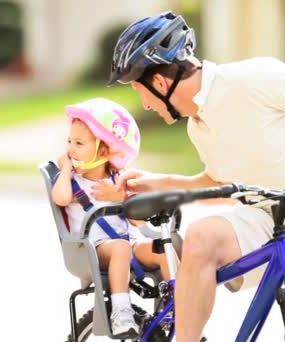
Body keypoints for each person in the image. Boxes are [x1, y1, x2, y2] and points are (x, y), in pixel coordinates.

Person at [107, 11, 285, 341]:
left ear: (161, 83)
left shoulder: (252, 78)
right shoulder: (200, 126)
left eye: (141, 92)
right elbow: (227, 186)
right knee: (202, 238)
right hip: (270, 219)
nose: (146, 105)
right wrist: (159, 181)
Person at [51, 97, 175, 337]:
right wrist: (65, 168)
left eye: (79, 143)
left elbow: (138, 222)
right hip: (95, 247)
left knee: (165, 248)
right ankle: (121, 311)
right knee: (119, 248)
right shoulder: (74, 181)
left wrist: (120, 198)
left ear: (104, 150)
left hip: (131, 242)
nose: (70, 149)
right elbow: (61, 199)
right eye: (69, 141)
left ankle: (178, 309)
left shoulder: (120, 178)